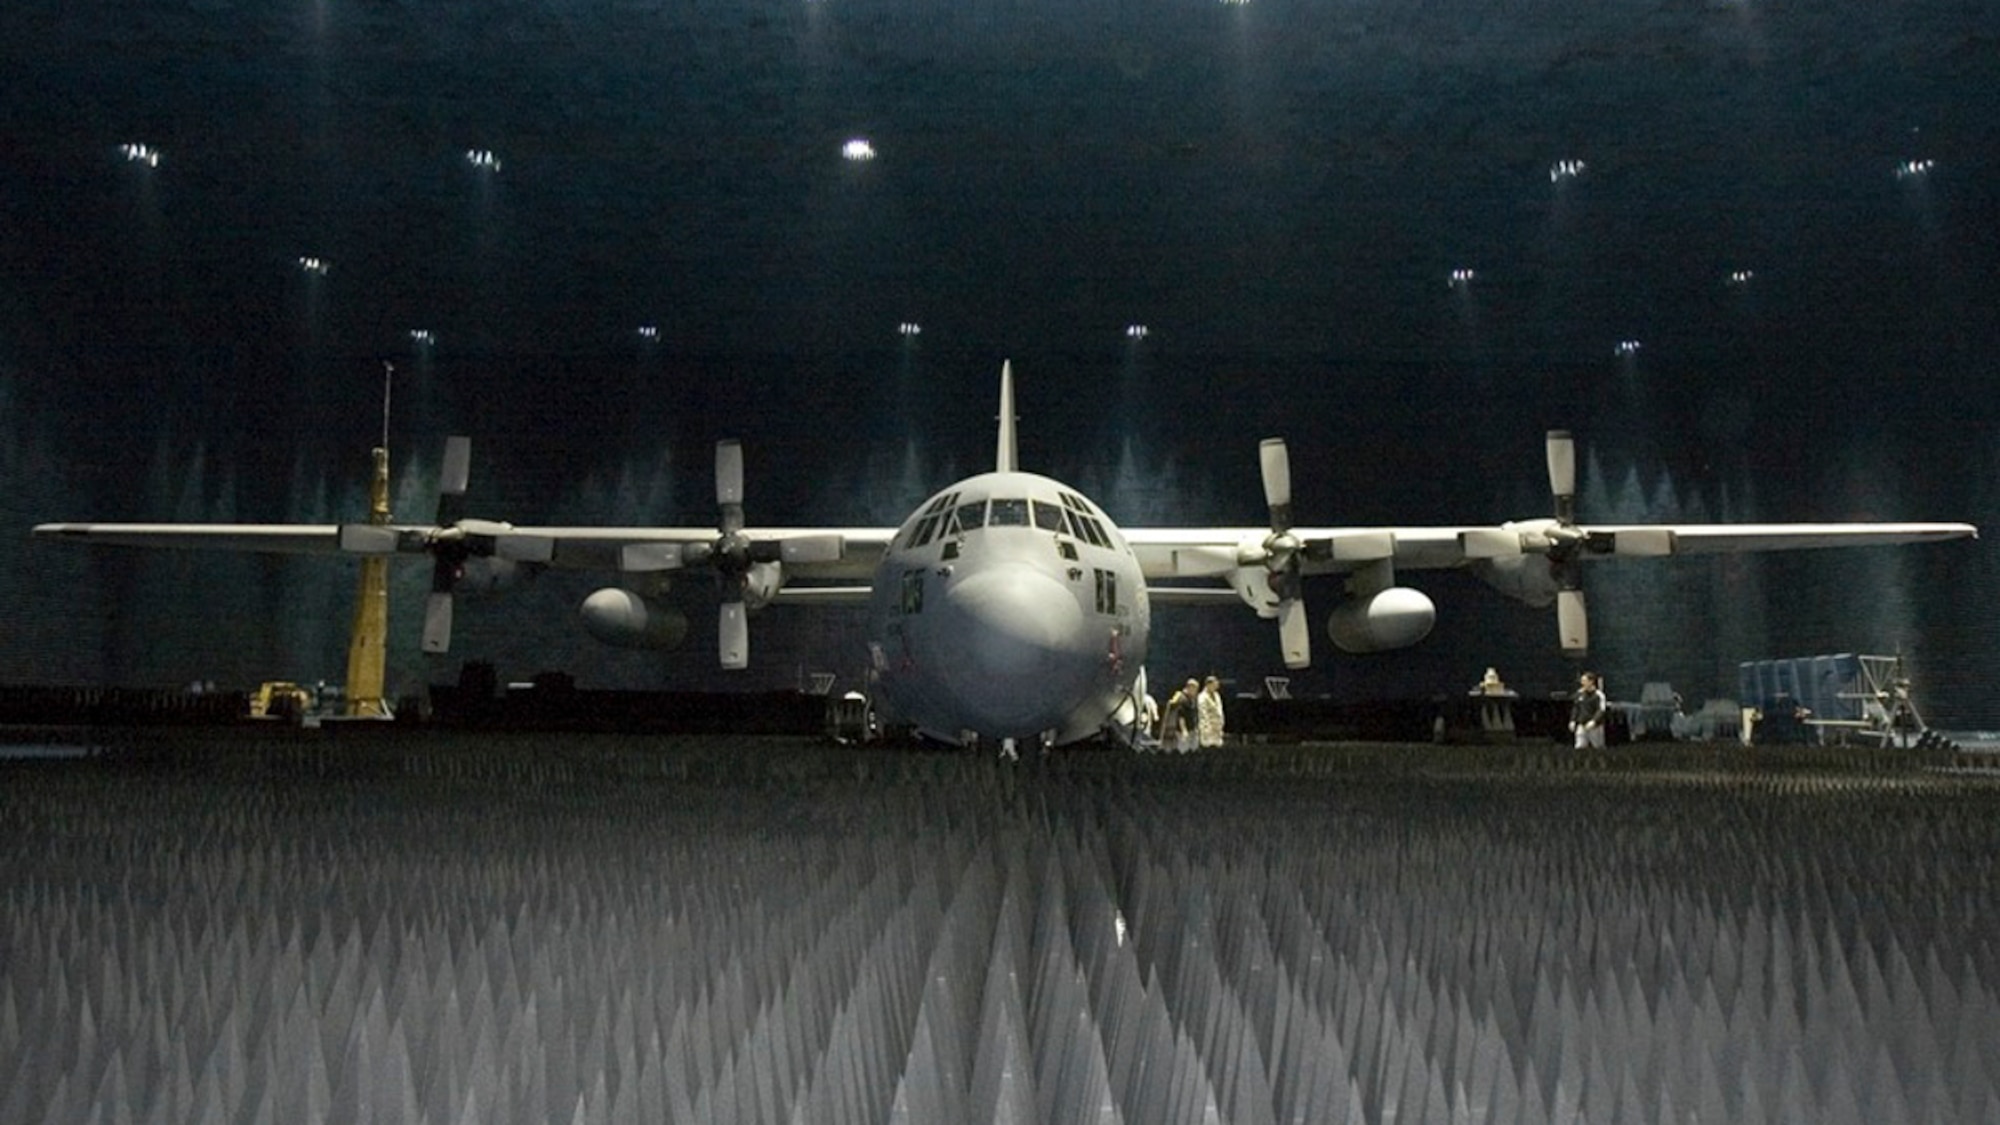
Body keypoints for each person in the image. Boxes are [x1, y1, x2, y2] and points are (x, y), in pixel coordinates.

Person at [1570, 671, 1607, 750]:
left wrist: (1594, 721)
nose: (1582, 683)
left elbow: (1601, 710)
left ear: (1591, 682)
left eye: (1584, 681)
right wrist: (1573, 720)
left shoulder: (1599, 695)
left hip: (1595, 727)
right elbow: (1576, 708)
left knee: (1598, 747)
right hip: (1582, 725)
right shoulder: (1580, 694)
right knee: (1579, 747)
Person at [1164, 678, 1200, 752]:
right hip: (1184, 731)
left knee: (1194, 750)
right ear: (1190, 688)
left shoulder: (1192, 699)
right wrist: (1184, 730)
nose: (1196, 691)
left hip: (1192, 730)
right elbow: (1181, 717)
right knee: (1184, 750)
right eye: (1195, 689)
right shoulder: (1182, 699)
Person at [1197, 675, 1226, 749]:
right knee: (1207, 747)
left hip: (1217, 728)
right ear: (1208, 685)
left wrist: (1221, 723)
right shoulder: (1202, 697)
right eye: (1214, 685)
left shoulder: (1217, 695)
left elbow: (1220, 710)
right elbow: (1203, 713)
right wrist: (1207, 727)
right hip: (1208, 728)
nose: (1216, 687)